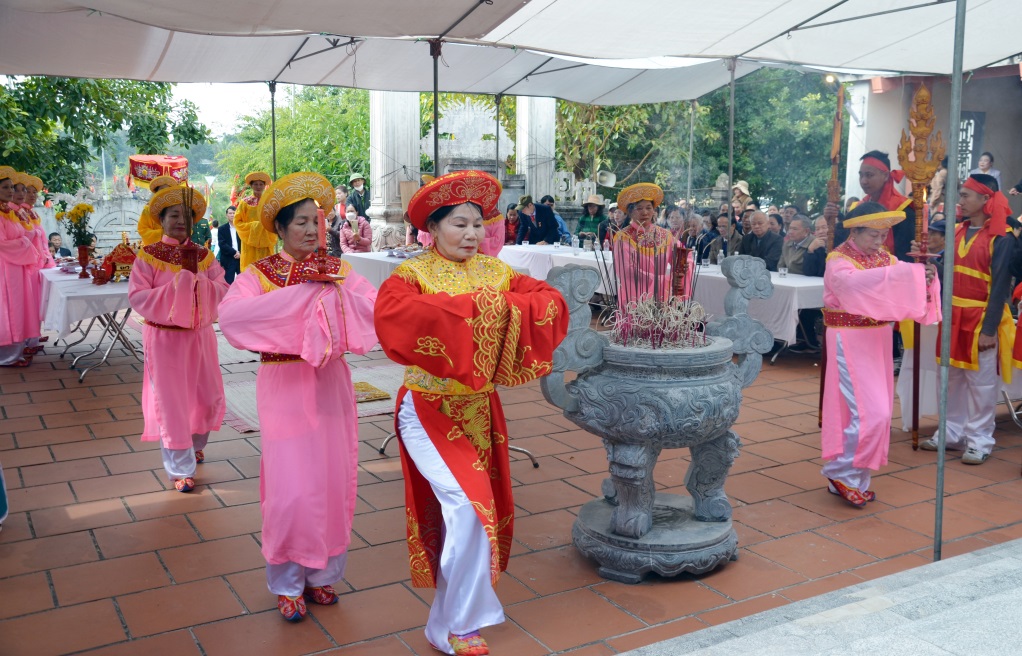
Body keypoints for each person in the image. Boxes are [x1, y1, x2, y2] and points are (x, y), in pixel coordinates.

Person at [374, 170, 568, 655]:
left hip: (481, 411)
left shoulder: (496, 271)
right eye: (459, 224)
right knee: (468, 508)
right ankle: (458, 625)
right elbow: (395, 319)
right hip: (426, 408)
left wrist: (489, 306)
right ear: (433, 228)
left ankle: (451, 622)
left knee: (476, 512)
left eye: (478, 225)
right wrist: (482, 311)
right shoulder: (410, 275)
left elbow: (550, 302)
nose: (471, 235)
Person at [218, 172, 378, 623]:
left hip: (330, 381)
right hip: (284, 381)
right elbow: (234, 320)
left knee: (332, 476)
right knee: (290, 486)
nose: (312, 230)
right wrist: (304, 300)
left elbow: (370, 310)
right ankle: (287, 581)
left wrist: (331, 297)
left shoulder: (339, 270)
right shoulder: (259, 275)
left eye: (317, 221)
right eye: (302, 222)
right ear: (280, 229)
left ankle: (322, 573)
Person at [821, 202, 940, 507]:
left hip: (878, 339)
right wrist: (909, 276)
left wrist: (924, 275)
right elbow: (857, 286)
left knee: (880, 412)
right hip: (849, 339)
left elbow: (900, 278)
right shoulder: (838, 261)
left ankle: (855, 478)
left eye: (883, 235)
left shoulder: (884, 258)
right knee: (869, 412)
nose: (879, 241)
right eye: (872, 235)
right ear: (854, 230)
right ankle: (840, 472)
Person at [128, 185, 228, 492]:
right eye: (174, 215)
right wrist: (179, 286)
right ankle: (180, 468)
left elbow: (223, 290)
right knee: (172, 403)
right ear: (161, 220)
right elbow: (138, 297)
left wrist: (197, 282)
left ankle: (194, 444)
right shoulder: (149, 255)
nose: (180, 221)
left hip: (200, 337)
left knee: (206, 397)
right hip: (166, 339)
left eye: (186, 215)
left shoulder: (204, 255)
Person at [920, 174, 1015, 464]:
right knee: (948, 378)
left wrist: (989, 330)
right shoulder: (958, 231)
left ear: (986, 199)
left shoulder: (1002, 237)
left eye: (965, 195)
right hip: (952, 316)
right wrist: (929, 264)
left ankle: (979, 440)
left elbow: (1000, 287)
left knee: (982, 384)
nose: (960, 200)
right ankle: (949, 433)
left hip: (981, 318)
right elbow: (948, 269)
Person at [0, 168, 45, 368]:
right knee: (8, 310)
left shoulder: (8, 212)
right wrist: (25, 243)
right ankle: (7, 356)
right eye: (6, 187)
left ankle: (16, 352)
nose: (11, 191)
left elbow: (21, 236)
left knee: (18, 309)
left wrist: (24, 242)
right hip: (5, 269)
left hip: (16, 267)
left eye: (12, 187)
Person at [613, 183, 683, 305]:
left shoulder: (664, 235)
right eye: (639, 208)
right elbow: (626, 271)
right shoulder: (623, 237)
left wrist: (682, 265)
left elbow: (682, 255)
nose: (645, 212)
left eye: (649, 208)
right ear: (630, 212)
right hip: (633, 298)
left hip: (661, 298)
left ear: (654, 211)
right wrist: (662, 280)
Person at [854, 150, 914, 262]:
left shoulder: (902, 210)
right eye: (861, 175)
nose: (863, 181)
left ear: (886, 176)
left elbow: (905, 256)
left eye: (869, 175)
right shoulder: (860, 207)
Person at [234, 171, 278, 270]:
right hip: (249, 242)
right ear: (251, 185)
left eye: (261, 184)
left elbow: (275, 221)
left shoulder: (269, 202)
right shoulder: (244, 203)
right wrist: (256, 226)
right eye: (255, 184)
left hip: (266, 241)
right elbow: (237, 222)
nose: (258, 186)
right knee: (250, 269)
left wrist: (266, 227)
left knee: (266, 269)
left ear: (264, 185)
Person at [137, 176, 179, 245]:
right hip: (154, 248)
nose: (165, 192)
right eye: (162, 190)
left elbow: (187, 229)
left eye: (168, 190)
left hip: (175, 247)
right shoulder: (148, 210)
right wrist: (163, 233)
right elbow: (143, 230)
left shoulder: (177, 209)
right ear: (156, 193)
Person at [217, 205, 242, 284]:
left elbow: (246, 243)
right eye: (230, 213)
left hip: (241, 259)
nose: (232, 215)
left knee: (243, 283)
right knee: (228, 283)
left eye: (234, 213)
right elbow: (222, 244)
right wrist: (235, 252)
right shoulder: (222, 229)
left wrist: (240, 253)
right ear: (226, 215)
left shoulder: (242, 228)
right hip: (228, 259)